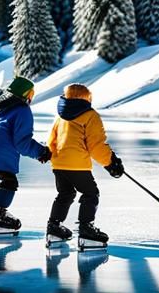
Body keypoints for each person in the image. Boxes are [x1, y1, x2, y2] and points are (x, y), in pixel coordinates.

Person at [46, 83, 124, 246]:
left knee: (65, 194)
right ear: (86, 98)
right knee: (91, 194)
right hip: (77, 165)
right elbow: (96, 146)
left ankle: (53, 227)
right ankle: (86, 229)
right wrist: (111, 163)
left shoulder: (59, 116)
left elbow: (50, 141)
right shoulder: (90, 115)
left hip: (59, 164)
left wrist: (54, 158)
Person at [0, 75, 50, 233]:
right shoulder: (22, 110)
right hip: (3, 152)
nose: (31, 98)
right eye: (31, 94)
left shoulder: (4, 108)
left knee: (7, 181)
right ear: (25, 94)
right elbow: (22, 143)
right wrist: (41, 152)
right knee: (9, 183)